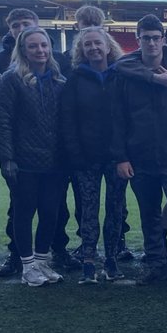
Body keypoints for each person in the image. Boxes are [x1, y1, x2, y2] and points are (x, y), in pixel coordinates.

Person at [111, 15, 167, 292]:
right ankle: (156, 264)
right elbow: (117, 119)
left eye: (155, 37)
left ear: (163, 40)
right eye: (145, 38)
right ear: (138, 41)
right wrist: (121, 156)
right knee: (149, 213)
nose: (151, 42)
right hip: (140, 159)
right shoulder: (126, 75)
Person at [0, 9, 73, 278]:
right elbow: (4, 122)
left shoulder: (59, 81)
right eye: (33, 46)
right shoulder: (10, 79)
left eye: (44, 45)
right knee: (24, 213)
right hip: (24, 161)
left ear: (50, 47)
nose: (40, 50)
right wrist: (7, 159)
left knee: (50, 212)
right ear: (23, 49)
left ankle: (43, 261)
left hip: (55, 161)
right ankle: (27, 265)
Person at [60, 27, 126, 283]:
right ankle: (88, 259)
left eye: (98, 43)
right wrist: (75, 153)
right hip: (86, 158)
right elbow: (68, 119)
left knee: (115, 208)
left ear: (108, 46)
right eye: (88, 45)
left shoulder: (121, 76)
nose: (94, 48)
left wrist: (124, 153)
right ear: (82, 50)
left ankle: (112, 258)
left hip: (116, 156)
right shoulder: (75, 78)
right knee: (88, 209)